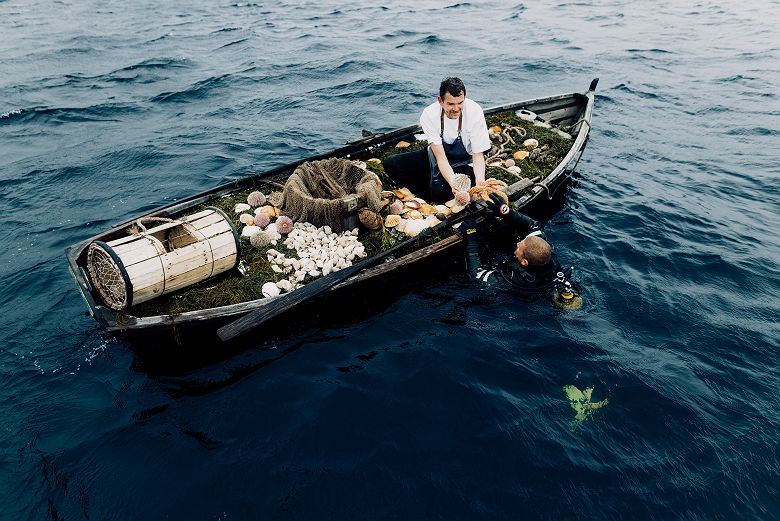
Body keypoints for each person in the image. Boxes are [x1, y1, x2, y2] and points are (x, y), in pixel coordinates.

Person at [384, 77, 492, 202]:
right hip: (436, 157)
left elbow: (478, 155)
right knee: (391, 163)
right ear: (440, 101)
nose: (456, 109)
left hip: (464, 162)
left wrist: (480, 184)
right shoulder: (429, 115)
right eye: (451, 104)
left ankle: (433, 191)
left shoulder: (475, 112)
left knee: (444, 194)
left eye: (460, 103)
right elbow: (441, 158)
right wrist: (453, 183)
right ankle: (424, 194)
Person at [461, 193, 564, 294]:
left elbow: (477, 276)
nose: (518, 243)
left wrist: (471, 238)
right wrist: (506, 212)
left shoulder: (513, 279)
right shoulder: (541, 249)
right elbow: (533, 225)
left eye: (519, 247)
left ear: (524, 262)